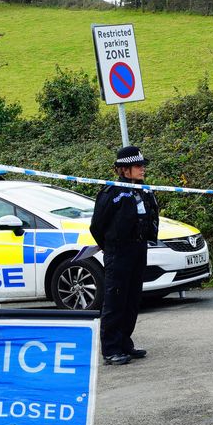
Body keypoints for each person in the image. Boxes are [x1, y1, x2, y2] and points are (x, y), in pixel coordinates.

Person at [89, 145, 160, 365]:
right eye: (138, 166)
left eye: (142, 165)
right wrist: (110, 246)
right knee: (115, 299)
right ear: (124, 169)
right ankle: (110, 349)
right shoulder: (111, 193)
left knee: (132, 299)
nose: (142, 169)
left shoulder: (144, 190)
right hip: (118, 252)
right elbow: (97, 226)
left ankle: (124, 343)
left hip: (139, 249)